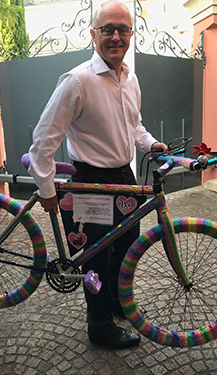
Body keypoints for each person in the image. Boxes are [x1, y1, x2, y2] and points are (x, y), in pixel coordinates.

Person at [28, 0, 168, 349]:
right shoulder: (77, 81)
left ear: (131, 35)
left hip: (125, 179)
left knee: (125, 248)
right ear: (93, 34)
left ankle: (118, 303)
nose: (116, 36)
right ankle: (100, 326)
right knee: (94, 259)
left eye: (123, 29)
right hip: (90, 183)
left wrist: (151, 144)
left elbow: (134, 127)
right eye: (108, 29)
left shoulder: (130, 78)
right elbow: (43, 140)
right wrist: (46, 188)